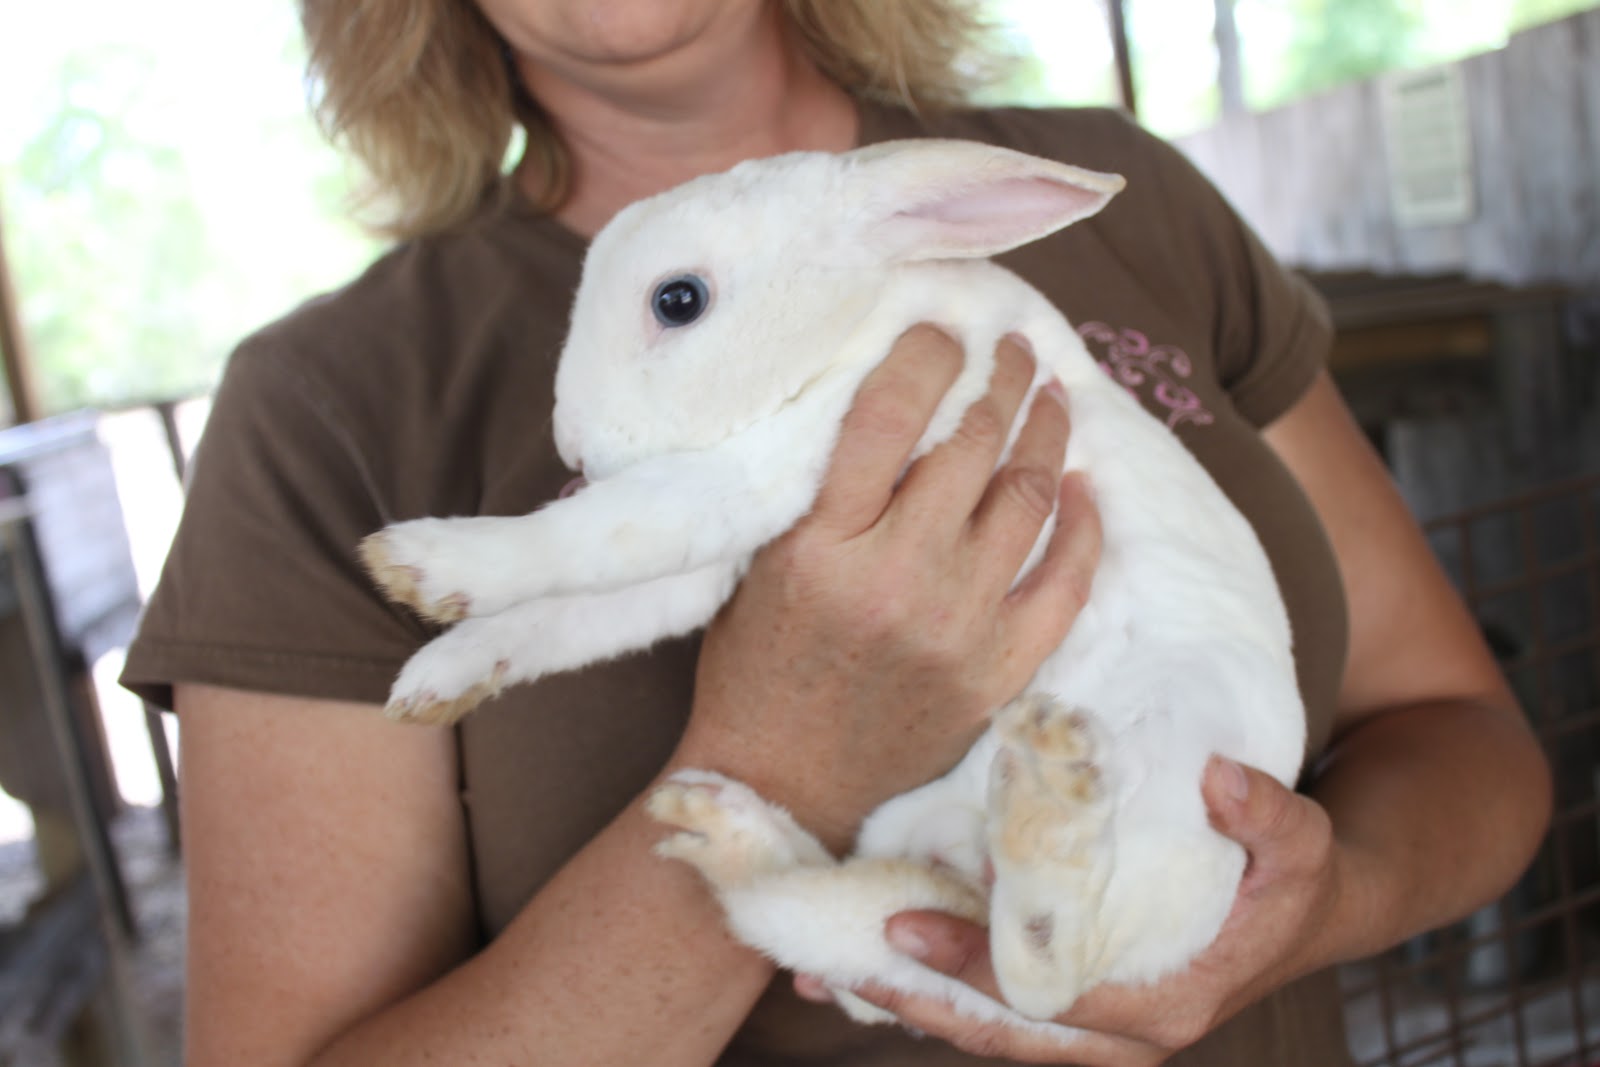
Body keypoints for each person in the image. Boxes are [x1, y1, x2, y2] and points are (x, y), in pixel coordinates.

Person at [120, 1, 1552, 1064]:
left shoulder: (1127, 197)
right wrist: (785, 751)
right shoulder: (330, 403)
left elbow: (1459, 735)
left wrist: (1325, 898)